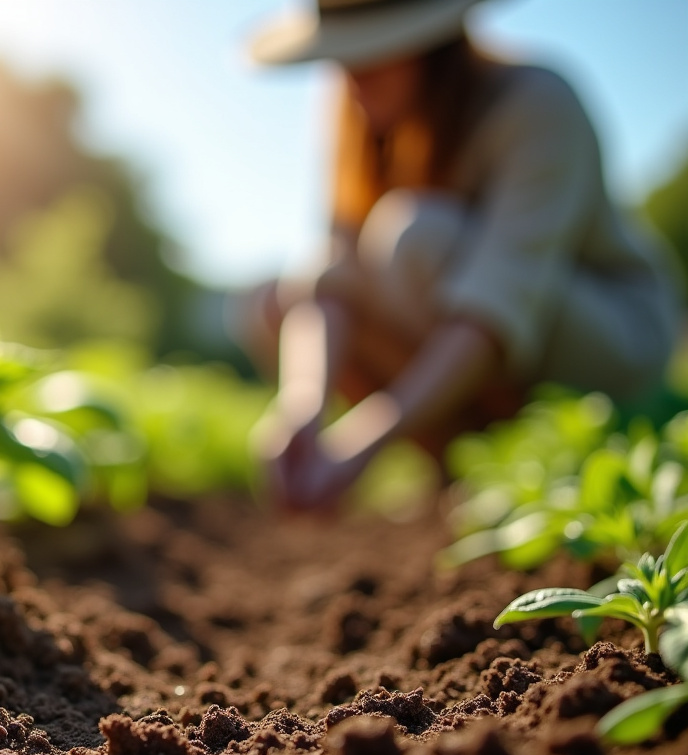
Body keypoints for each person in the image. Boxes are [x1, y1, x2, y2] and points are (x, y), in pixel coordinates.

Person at [239, 0, 682, 513]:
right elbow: (330, 277)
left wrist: (359, 443)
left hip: (611, 340)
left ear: (429, 43)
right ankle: (458, 471)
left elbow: (495, 308)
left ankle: (525, 465)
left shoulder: (536, 102)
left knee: (417, 239)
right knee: (279, 305)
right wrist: (302, 408)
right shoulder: (360, 111)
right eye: (341, 56)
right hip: (487, 339)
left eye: (371, 51)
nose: (352, 75)